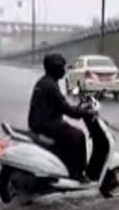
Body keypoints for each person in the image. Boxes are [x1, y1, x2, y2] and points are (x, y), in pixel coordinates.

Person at [28, 53, 93, 181]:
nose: (64, 70)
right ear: (54, 68)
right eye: (62, 67)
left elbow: (61, 106)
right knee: (78, 135)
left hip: (41, 121)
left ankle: (66, 166)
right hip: (46, 123)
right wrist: (85, 112)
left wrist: (80, 110)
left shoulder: (46, 81)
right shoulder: (50, 86)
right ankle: (77, 174)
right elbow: (66, 108)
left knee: (69, 133)